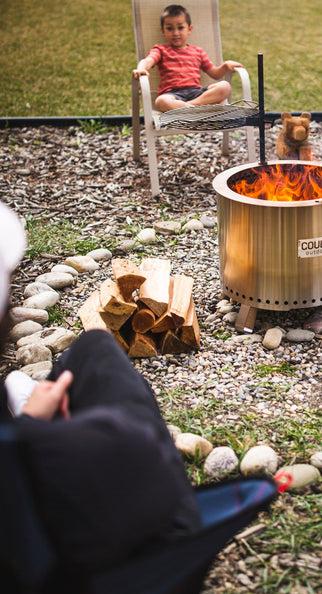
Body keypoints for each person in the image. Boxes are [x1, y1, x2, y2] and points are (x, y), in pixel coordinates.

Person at [0, 201, 201, 569]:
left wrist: (26, 422)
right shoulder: (101, 447)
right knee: (101, 356)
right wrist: (32, 429)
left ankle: (19, 404)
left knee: (94, 345)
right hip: (97, 584)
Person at [133, 3, 243, 113]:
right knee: (161, 101)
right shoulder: (160, 50)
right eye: (170, 28)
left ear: (189, 29)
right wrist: (141, 68)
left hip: (197, 93)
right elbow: (148, 61)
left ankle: (189, 108)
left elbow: (215, 73)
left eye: (180, 28)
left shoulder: (198, 51)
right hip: (172, 94)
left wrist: (225, 65)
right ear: (163, 31)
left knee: (224, 86)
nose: (175, 33)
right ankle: (198, 108)